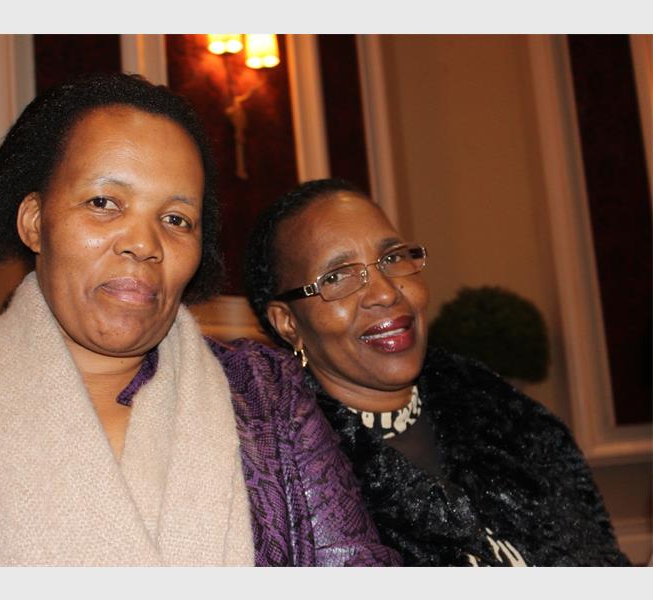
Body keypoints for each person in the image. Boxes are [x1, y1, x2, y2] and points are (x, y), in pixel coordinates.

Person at [0, 76, 400, 567]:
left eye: (175, 218)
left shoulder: (269, 393)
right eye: (104, 203)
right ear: (35, 222)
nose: (144, 242)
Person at [244, 177, 630, 566]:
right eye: (337, 276)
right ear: (288, 323)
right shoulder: (285, 482)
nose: (385, 292)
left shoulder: (509, 420)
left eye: (392, 258)